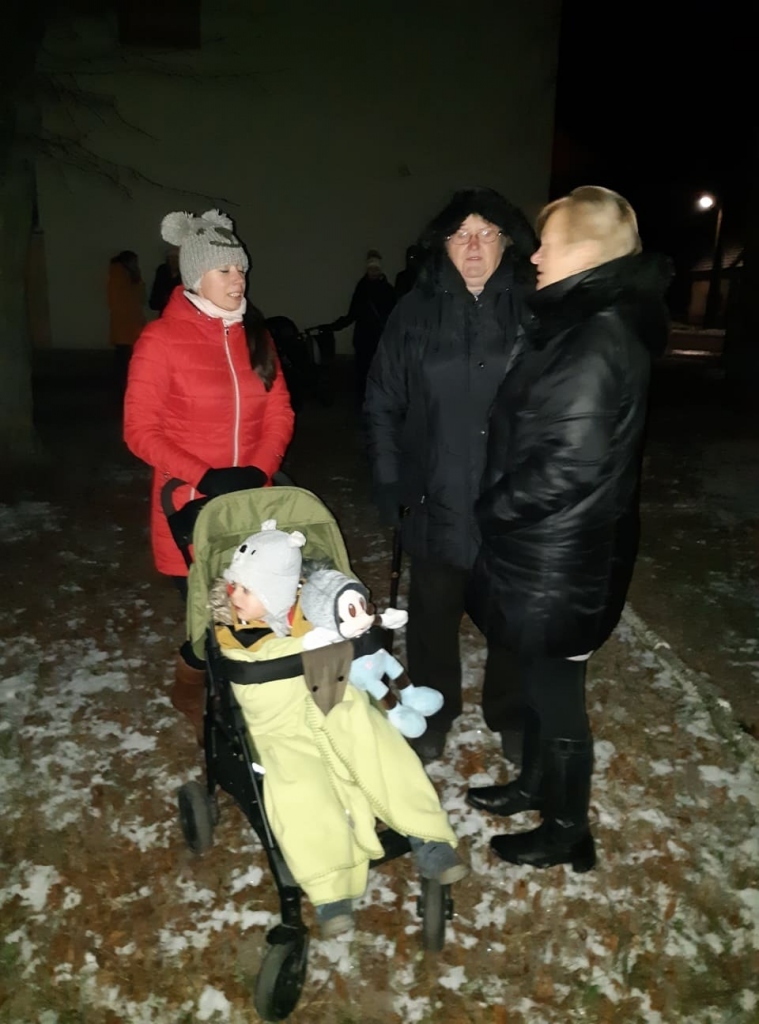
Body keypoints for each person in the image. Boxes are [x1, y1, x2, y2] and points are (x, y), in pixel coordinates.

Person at [465, 186, 672, 872]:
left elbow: (566, 467)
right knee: (536, 680)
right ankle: (534, 787)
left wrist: (489, 509)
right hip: (545, 552)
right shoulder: (580, 323)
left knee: (556, 698)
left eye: (548, 244)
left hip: (561, 557)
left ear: (585, 253)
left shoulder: (597, 338)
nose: (535, 256)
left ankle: (565, 830)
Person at [214, 521, 469, 937]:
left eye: (247, 589)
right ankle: (329, 886)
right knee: (299, 790)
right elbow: (250, 675)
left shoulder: (313, 607)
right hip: (280, 725)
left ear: (279, 593)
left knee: (380, 746)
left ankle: (429, 836)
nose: (234, 596)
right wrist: (301, 649)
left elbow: (346, 616)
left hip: (334, 699)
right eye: (234, 586)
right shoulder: (232, 628)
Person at [363, 187, 537, 764]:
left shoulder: (535, 310)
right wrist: (389, 480)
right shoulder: (414, 313)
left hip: (511, 504)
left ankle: (511, 712)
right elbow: (382, 402)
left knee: (511, 618)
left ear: (507, 243)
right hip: (433, 498)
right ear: (442, 244)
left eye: (486, 233)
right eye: (461, 234)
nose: (474, 246)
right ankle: (435, 713)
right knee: (432, 619)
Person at [123, 209, 295, 744]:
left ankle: (250, 706)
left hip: (253, 502)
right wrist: (206, 475)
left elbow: (280, 411)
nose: (238, 280)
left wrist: (259, 468)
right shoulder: (160, 340)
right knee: (215, 619)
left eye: (241, 269)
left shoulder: (257, 336)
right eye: (224, 270)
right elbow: (140, 431)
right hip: (189, 508)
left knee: (256, 611)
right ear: (195, 276)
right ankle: (203, 695)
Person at [327, 249, 396, 407]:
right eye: (371, 269)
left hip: (373, 338)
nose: (373, 272)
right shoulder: (381, 289)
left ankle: (368, 403)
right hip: (371, 338)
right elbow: (355, 313)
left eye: (375, 269)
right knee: (368, 373)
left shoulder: (365, 288)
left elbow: (353, 314)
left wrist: (336, 325)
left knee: (369, 373)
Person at [107, 250, 146, 398]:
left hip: (125, 326)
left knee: (123, 361)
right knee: (126, 362)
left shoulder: (117, 275)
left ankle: (123, 390)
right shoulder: (124, 276)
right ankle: (125, 390)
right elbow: (138, 298)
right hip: (129, 326)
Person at [148, 245, 182, 314]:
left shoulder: (183, 273)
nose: (173, 261)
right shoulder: (162, 271)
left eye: (176, 258)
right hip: (164, 308)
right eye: (171, 258)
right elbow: (157, 289)